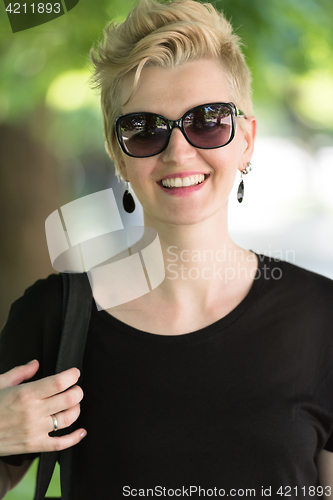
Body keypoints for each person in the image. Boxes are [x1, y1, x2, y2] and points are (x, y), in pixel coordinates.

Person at [1, 0, 333, 498]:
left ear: (246, 140)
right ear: (118, 156)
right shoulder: (54, 317)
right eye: (145, 129)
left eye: (207, 121)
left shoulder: (322, 318)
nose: (178, 151)